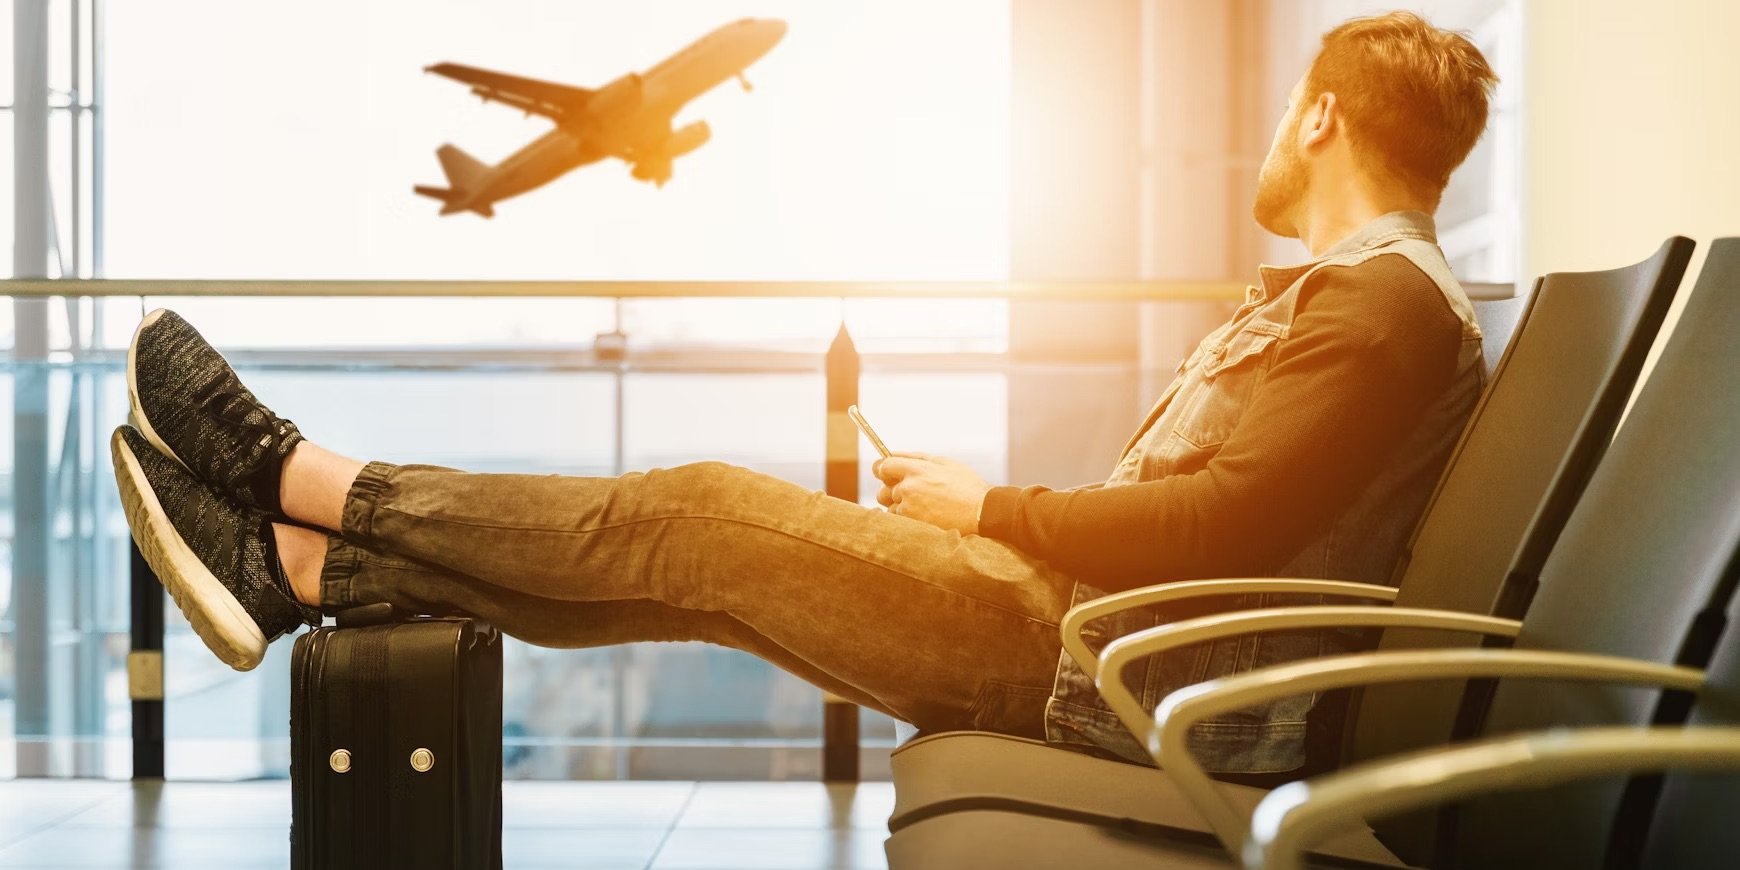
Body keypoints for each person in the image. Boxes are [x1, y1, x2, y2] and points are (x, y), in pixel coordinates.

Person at [111, 10, 1496, 775]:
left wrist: (992, 508)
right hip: (1097, 644)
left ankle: (293, 474)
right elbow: (1226, 518)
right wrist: (993, 514)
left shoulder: (1380, 305)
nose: (1273, 134)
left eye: (1286, 111)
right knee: (698, 578)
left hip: (1101, 669)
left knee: (695, 515)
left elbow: (1220, 527)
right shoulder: (1370, 302)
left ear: (1322, 115)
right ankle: (301, 568)